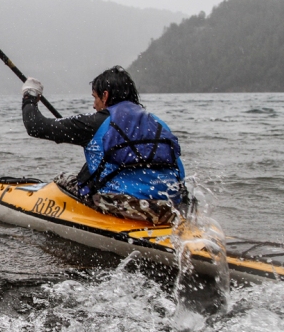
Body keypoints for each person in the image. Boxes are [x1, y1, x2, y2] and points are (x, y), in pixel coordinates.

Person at [21, 66, 185, 225]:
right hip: (168, 207)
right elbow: (178, 169)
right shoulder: (158, 123)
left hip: (128, 206)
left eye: (95, 97)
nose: (94, 105)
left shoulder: (96, 123)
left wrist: (30, 95)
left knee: (64, 179)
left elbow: (36, 126)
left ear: (105, 96)